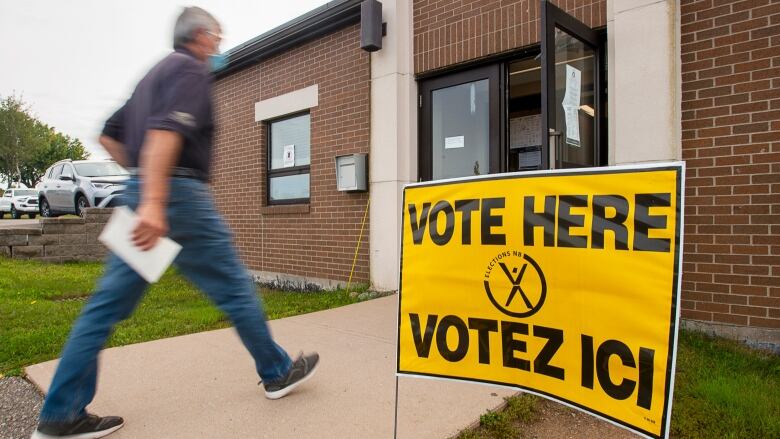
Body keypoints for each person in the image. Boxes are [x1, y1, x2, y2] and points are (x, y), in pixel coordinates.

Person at [32, 7, 318, 439]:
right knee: (234, 286)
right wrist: (155, 199)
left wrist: (142, 179)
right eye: (217, 37)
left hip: (144, 193)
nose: (219, 46)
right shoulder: (188, 70)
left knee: (106, 307)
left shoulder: (152, 77)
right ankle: (277, 371)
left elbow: (108, 134)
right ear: (200, 36)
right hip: (177, 198)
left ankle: (60, 415)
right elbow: (168, 133)